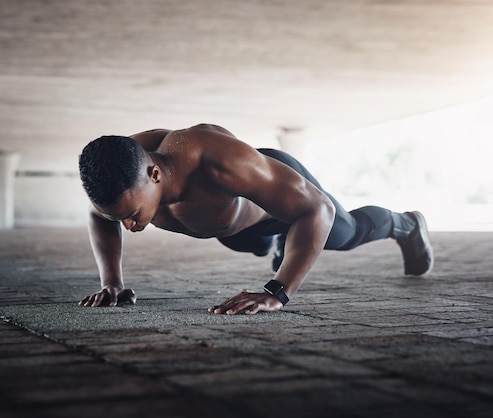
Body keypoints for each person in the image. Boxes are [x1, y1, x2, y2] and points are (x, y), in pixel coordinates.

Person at [78, 123, 433, 315]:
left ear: (155, 175)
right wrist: (112, 282)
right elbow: (101, 217)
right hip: (235, 230)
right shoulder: (122, 171)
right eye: (120, 217)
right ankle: (285, 243)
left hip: (277, 197)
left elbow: (317, 210)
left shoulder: (218, 160)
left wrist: (276, 293)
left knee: (345, 233)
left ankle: (408, 224)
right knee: (258, 244)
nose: (129, 226)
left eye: (132, 215)